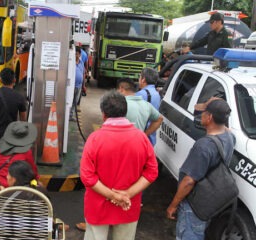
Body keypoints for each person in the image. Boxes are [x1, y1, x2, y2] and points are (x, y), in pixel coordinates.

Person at [80, 90, 158, 240]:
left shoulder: (95, 138)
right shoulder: (141, 138)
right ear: (125, 111)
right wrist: (127, 194)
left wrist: (112, 195)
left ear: (103, 114)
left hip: (98, 205)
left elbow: (87, 177)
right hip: (128, 205)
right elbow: (152, 172)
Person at [166, 99, 235, 240]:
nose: (200, 115)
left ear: (209, 117)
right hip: (211, 200)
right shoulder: (230, 137)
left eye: (203, 113)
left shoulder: (203, 146)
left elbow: (189, 182)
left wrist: (173, 205)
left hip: (194, 205)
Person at [0, 68, 27, 149]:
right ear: (14, 80)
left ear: (0, 81)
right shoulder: (19, 97)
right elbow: (23, 119)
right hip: (11, 132)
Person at [0, 121, 39, 187]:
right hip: (14, 188)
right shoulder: (26, 153)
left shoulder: (1, 148)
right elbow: (33, 172)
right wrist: (37, 181)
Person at [136, 67, 161, 145]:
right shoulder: (156, 93)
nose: (139, 79)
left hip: (141, 137)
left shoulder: (141, 94)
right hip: (151, 137)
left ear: (143, 79)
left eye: (139, 76)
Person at [70, 46, 85, 121]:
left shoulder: (81, 62)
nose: (76, 55)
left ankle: (71, 115)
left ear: (79, 55)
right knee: (69, 100)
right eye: (75, 54)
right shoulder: (70, 62)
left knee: (75, 101)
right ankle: (68, 115)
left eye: (78, 54)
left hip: (79, 86)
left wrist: (83, 85)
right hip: (71, 86)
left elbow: (83, 73)